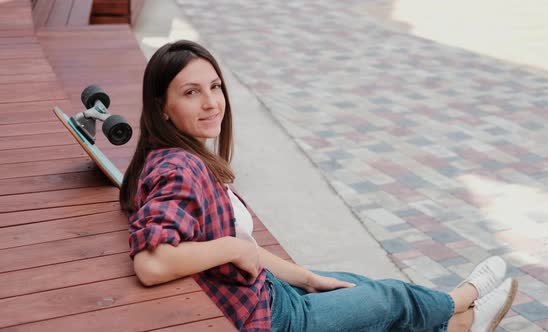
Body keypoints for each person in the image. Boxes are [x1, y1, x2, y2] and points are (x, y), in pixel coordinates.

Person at [119, 40, 518, 332]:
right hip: (275, 319)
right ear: (162, 109)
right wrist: (232, 247)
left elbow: (244, 249)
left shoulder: (179, 158)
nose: (212, 103)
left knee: (362, 287)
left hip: (270, 293)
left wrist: (308, 278)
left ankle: (462, 325)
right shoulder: (179, 168)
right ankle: (464, 302)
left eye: (215, 86)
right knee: (390, 300)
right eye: (191, 93)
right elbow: (151, 263)